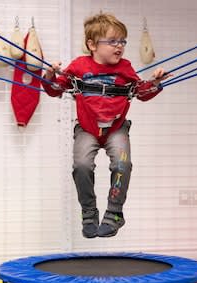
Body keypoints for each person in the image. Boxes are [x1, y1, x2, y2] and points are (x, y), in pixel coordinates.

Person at [42, 13, 171, 238]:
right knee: (81, 166)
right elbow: (55, 89)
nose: (119, 46)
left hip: (116, 128)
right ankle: (89, 212)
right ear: (92, 45)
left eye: (122, 41)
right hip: (87, 128)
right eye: (112, 41)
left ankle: (114, 213)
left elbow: (141, 93)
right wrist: (49, 74)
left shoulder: (125, 68)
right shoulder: (79, 66)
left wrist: (155, 83)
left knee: (123, 165)